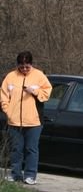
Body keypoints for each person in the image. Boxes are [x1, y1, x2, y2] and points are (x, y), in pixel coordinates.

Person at [0, 51, 52, 184]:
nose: (24, 69)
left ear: (31, 64)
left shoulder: (39, 75)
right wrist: (8, 110)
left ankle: (30, 175)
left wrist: (34, 91)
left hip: (34, 121)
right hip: (14, 120)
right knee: (16, 149)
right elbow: (4, 95)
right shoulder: (10, 77)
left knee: (31, 149)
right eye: (21, 66)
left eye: (27, 66)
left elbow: (46, 93)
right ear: (18, 65)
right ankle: (15, 174)